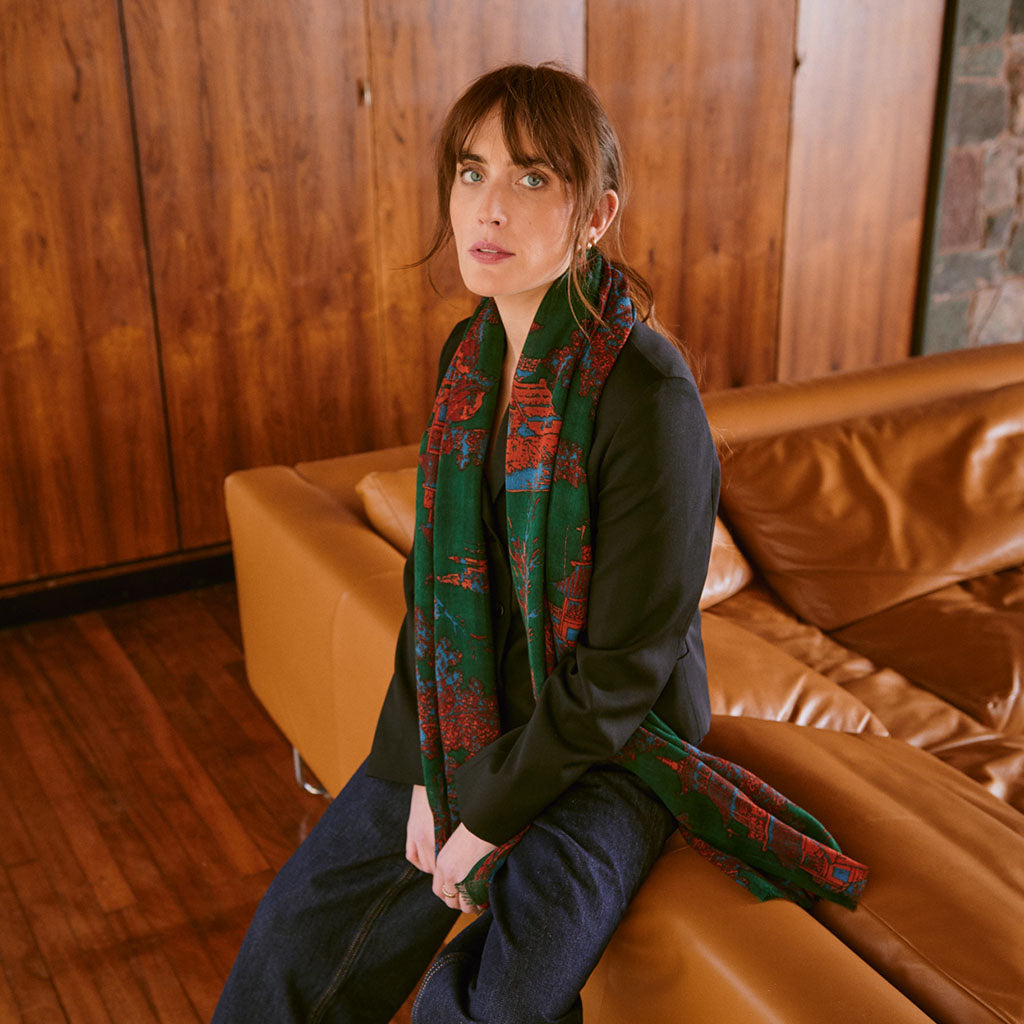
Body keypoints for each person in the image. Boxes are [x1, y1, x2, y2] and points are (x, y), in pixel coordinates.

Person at [212, 62, 864, 1024]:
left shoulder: (646, 396)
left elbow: (625, 670)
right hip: (473, 716)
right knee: (286, 961)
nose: (489, 208)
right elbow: (433, 588)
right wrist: (428, 767)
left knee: (502, 999)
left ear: (595, 215)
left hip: (611, 744)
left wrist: (492, 809)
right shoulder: (468, 359)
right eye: (471, 171)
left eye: (530, 179)